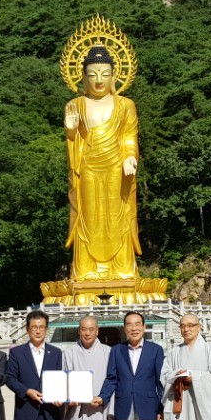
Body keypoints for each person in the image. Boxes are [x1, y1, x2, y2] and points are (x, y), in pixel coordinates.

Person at [63, 46, 140, 281]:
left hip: (117, 167)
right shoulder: (75, 105)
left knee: (118, 215)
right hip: (88, 167)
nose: (99, 80)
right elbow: (74, 142)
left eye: (105, 74)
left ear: (114, 76)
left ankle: (123, 271)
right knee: (89, 216)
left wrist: (130, 157)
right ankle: (86, 271)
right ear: (84, 76)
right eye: (93, 74)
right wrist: (71, 130)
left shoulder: (126, 105)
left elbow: (129, 136)